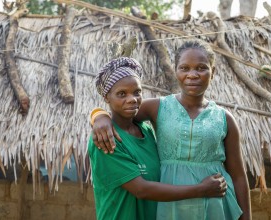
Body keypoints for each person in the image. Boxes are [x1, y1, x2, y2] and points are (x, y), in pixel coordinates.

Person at [91, 41, 251, 220]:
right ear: (176, 71)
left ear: (213, 72)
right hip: (169, 206)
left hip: (214, 204)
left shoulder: (224, 118)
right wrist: (99, 116)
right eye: (184, 68)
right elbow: (122, 110)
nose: (192, 75)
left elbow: (238, 176)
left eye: (201, 68)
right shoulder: (157, 108)